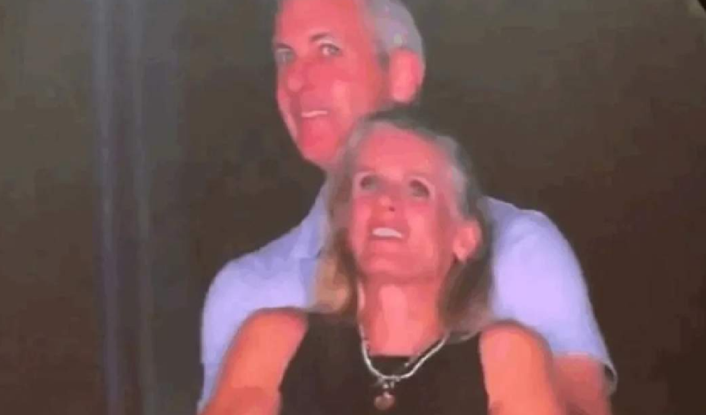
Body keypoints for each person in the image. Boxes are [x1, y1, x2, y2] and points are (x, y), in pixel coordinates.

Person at [200, 0, 615, 413]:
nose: (296, 80)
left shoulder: (520, 247)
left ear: (401, 74)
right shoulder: (248, 292)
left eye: (328, 50)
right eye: (286, 56)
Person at [201, 110, 566, 415]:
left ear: (464, 238)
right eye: (369, 183)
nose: (385, 201)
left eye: (417, 188)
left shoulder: (506, 356)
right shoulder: (275, 341)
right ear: (345, 221)